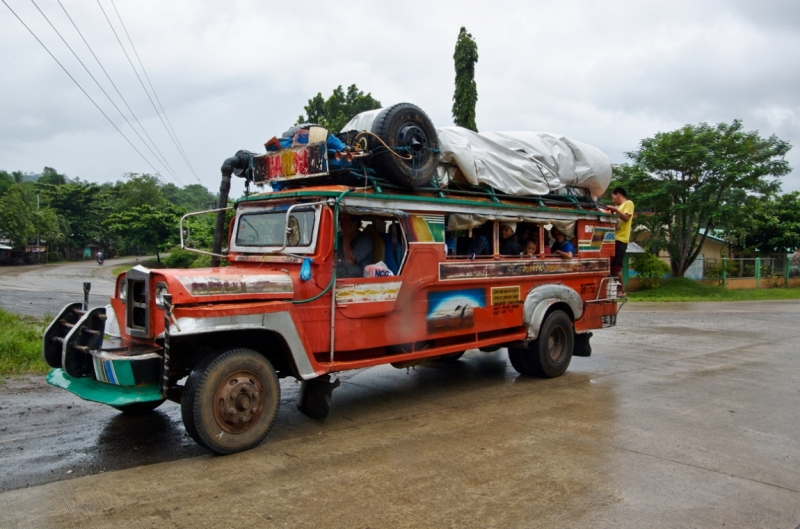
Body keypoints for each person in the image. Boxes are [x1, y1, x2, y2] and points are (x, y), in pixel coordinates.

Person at [605, 186, 635, 297]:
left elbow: (626, 218)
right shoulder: (620, 207)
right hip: (614, 239)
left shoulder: (628, 203)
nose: (614, 200)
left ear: (618, 194)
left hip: (621, 240)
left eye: (613, 197)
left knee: (616, 268)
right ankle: (614, 288)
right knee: (611, 266)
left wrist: (615, 210)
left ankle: (622, 290)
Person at [336, 213, 373, 277]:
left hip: (358, 278)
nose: (342, 223)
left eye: (346, 221)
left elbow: (349, 260)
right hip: (343, 274)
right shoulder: (340, 239)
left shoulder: (364, 240)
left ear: (354, 224)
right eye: (341, 220)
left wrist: (346, 236)